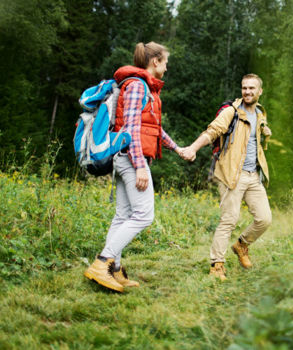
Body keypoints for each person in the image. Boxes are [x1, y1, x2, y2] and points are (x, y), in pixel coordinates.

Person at [84, 42, 186, 292]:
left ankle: (114, 269)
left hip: (127, 157)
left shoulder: (145, 88)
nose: (167, 66)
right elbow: (130, 129)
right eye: (165, 62)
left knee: (123, 215)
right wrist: (140, 166)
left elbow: (153, 128)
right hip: (131, 157)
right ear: (155, 62)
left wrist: (177, 148)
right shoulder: (137, 86)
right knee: (143, 215)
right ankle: (102, 262)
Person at [182, 74, 272, 281]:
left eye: (251, 88)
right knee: (229, 220)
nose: (247, 92)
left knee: (265, 219)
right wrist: (193, 148)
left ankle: (241, 245)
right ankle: (217, 265)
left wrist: (266, 133)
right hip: (232, 174)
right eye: (244, 88)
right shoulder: (232, 112)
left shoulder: (259, 114)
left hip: (253, 175)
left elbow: (257, 142)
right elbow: (212, 131)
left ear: (260, 91)